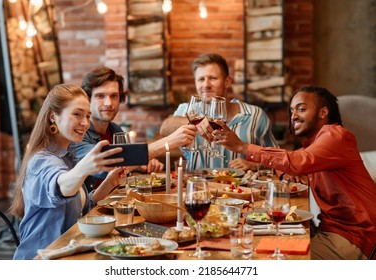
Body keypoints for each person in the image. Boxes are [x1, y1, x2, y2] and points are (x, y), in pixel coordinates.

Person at [213, 85, 376, 260]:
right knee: (260, 246)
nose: (294, 116)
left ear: (323, 113)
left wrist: (243, 147)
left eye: (301, 109)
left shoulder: (335, 136)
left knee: (270, 257)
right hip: (331, 229)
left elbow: (297, 163)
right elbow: (294, 169)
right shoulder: (315, 146)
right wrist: (265, 165)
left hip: (355, 237)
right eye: (292, 111)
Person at [9, 84, 125, 259]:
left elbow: (80, 209)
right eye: (77, 114)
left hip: (69, 253)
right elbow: (60, 186)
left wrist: (109, 183)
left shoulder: (68, 154)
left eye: (87, 116)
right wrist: (83, 168)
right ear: (53, 117)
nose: (85, 123)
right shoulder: (41, 160)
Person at [75, 67, 197, 190]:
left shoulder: (115, 129)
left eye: (114, 96)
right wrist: (168, 141)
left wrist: (140, 164)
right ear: (87, 99)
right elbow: (106, 166)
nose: (108, 103)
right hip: (90, 208)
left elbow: (124, 163)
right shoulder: (79, 134)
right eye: (100, 96)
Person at [160, 53, 278, 170]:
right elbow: (164, 129)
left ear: (227, 81)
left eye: (212, 78)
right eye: (201, 79)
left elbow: (277, 159)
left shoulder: (255, 115)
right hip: (198, 187)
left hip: (241, 188)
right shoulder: (187, 110)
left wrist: (254, 165)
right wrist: (192, 122)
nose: (206, 85)